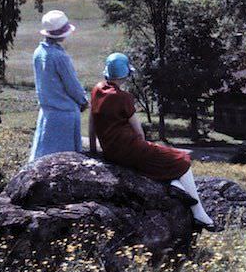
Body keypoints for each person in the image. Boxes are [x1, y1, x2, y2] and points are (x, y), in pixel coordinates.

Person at [89, 53, 215, 228]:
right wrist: (145, 148)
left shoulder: (96, 90)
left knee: (164, 161)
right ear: (126, 74)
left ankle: (176, 186)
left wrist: (95, 151)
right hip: (130, 150)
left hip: (111, 151)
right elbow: (138, 131)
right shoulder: (123, 97)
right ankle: (199, 214)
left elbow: (92, 122)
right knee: (182, 159)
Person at [29, 9, 89, 161]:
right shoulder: (60, 57)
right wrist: (83, 101)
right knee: (64, 161)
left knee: (42, 156)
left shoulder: (38, 52)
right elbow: (72, 86)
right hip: (64, 114)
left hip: (47, 112)